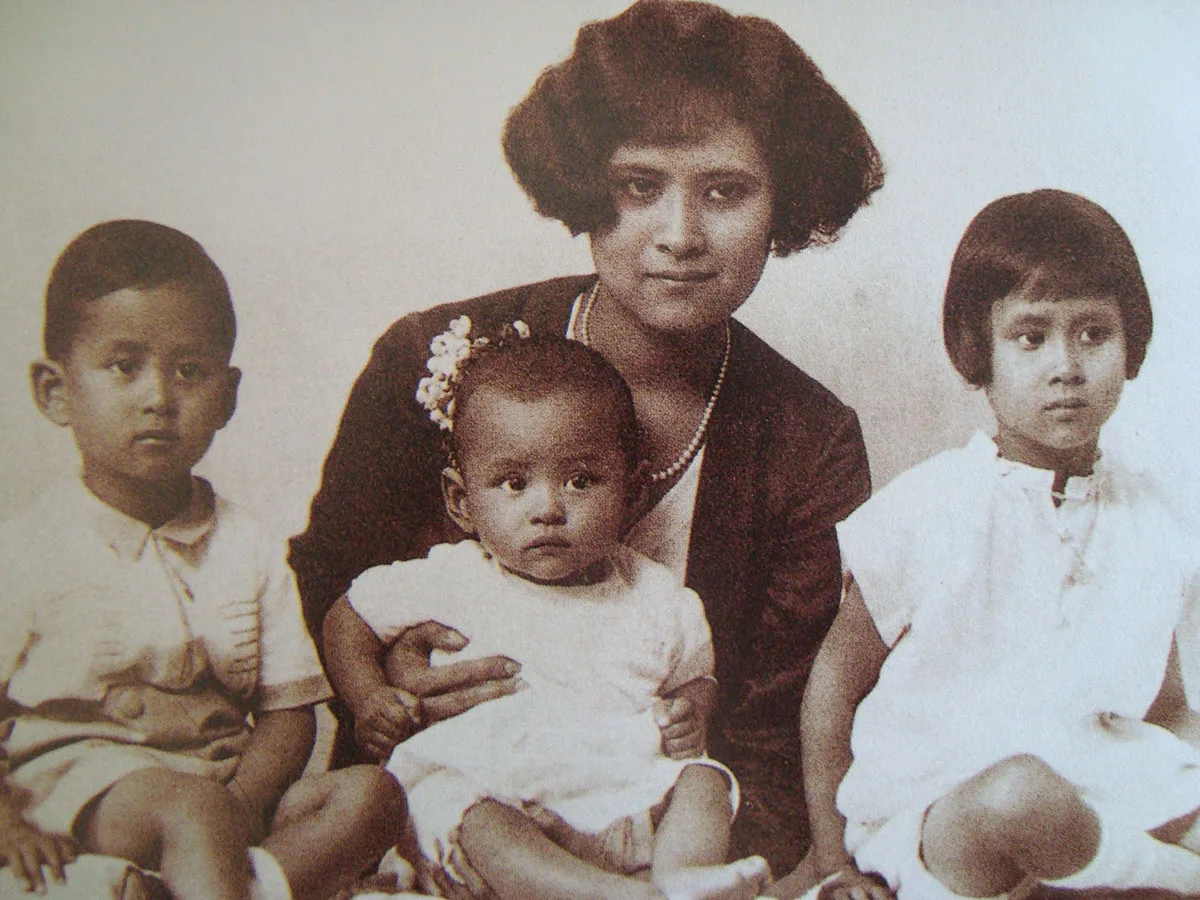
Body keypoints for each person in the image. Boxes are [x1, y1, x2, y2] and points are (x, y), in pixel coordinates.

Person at [290, 0, 883, 876]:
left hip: (654, 837)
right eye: (640, 186)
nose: (680, 236)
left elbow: (770, 737)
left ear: (783, 201)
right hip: (436, 819)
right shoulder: (431, 355)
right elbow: (329, 576)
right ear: (581, 185)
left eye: (724, 191)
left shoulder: (811, 442)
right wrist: (383, 677)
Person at [796, 190, 1200, 900]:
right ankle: (1166, 881)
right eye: (1031, 337)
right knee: (1021, 797)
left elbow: (1164, 706)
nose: (1066, 366)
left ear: (1131, 344)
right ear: (976, 351)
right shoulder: (930, 507)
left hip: (1100, 789)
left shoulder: (1147, 516)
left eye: (1094, 334)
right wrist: (833, 861)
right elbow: (833, 686)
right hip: (951, 814)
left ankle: (1098, 875)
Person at [0, 220, 406, 900]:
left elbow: (286, 712)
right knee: (189, 809)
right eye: (124, 367)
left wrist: (247, 799)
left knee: (375, 796)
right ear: (56, 391)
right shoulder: (26, 550)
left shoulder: (245, 545)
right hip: (85, 795)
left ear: (228, 394)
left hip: (220, 785)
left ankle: (197, 888)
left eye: (189, 371)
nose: (159, 397)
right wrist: (7, 823)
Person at [325, 331, 772, 900]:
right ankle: (623, 897)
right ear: (461, 503)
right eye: (514, 484)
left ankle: (679, 877)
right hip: (498, 805)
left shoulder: (658, 596)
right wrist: (369, 697)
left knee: (705, 780)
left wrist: (692, 711)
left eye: (581, 481)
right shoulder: (451, 577)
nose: (548, 509)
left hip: (619, 797)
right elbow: (348, 617)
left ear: (631, 495)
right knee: (458, 804)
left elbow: (695, 678)